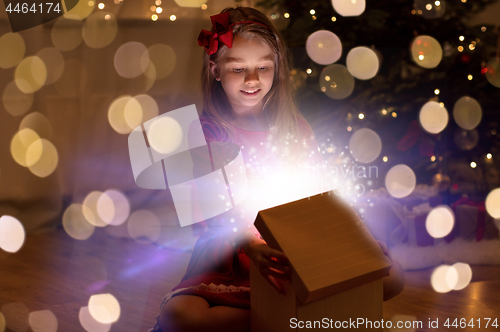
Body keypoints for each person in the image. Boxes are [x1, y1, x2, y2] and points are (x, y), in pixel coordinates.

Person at [150, 6, 404, 332]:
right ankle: (300, 318)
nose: (253, 79)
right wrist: (251, 244)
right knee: (182, 317)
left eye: (263, 67)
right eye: (238, 68)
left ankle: (291, 316)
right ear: (214, 69)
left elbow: (319, 195)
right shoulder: (198, 135)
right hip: (230, 256)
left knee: (393, 278)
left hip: (296, 246)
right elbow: (207, 214)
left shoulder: (294, 127)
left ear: (277, 68)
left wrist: (353, 236)